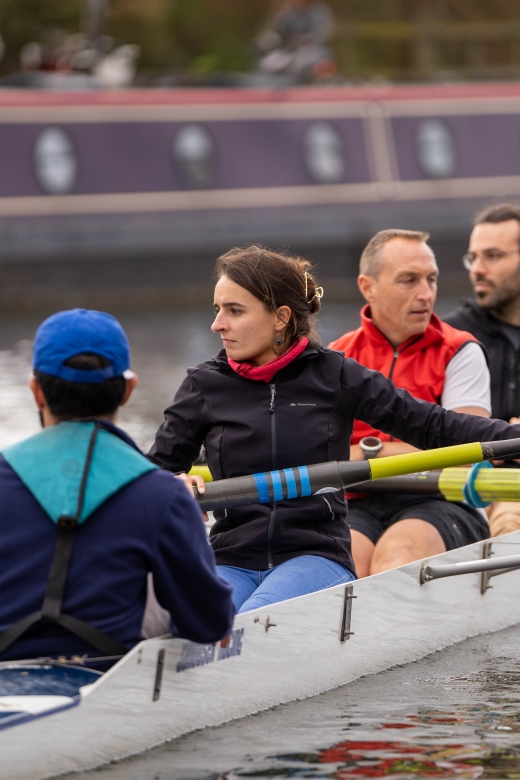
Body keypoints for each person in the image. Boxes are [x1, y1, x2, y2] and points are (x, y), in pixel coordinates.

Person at [148, 245, 520, 612]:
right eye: (218, 310)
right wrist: (170, 481)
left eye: (234, 311)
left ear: (280, 318)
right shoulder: (203, 384)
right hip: (230, 557)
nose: (217, 324)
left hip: (314, 555)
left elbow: (433, 425)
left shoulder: (334, 375)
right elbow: (152, 472)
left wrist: (510, 438)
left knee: (246, 621)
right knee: (186, 624)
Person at [0, 309, 234, 669]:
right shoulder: (163, 493)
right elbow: (210, 624)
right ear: (127, 390)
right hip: (107, 675)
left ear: (36, 391)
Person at [328, 229, 493, 577]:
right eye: (409, 280)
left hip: (441, 499)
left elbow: (465, 458)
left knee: (397, 557)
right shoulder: (334, 358)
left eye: (431, 280)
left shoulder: (461, 351)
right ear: (367, 286)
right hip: (357, 504)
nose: (425, 294)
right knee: (348, 565)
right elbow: (318, 455)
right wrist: (400, 453)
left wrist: (366, 453)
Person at [444, 203, 520, 536]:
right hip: (465, 486)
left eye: (492, 256)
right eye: (473, 258)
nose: (477, 268)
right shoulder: (450, 338)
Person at [256, 0, 337, 83]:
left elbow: (321, 35)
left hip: (312, 50)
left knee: (304, 63)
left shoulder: (320, 12)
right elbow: (277, 31)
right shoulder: (287, 11)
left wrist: (302, 40)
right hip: (287, 51)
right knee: (269, 63)